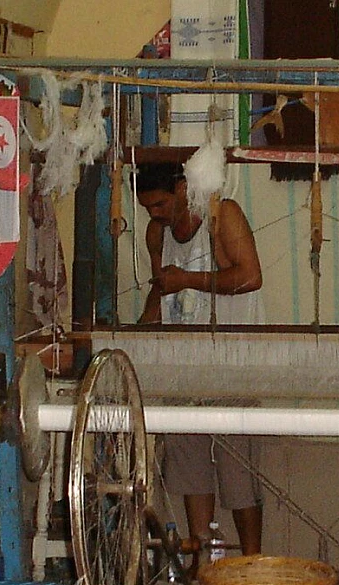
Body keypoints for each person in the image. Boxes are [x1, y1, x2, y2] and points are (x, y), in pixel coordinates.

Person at [134, 162, 264, 575]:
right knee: (190, 469)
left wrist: (188, 279)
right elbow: (158, 296)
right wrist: (134, 342)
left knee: (238, 471)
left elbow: (251, 276)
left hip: (234, 365)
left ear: (181, 188)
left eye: (160, 204)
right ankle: (204, 563)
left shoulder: (222, 215)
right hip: (183, 370)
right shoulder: (157, 234)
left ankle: (252, 564)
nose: (154, 214)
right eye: (147, 207)